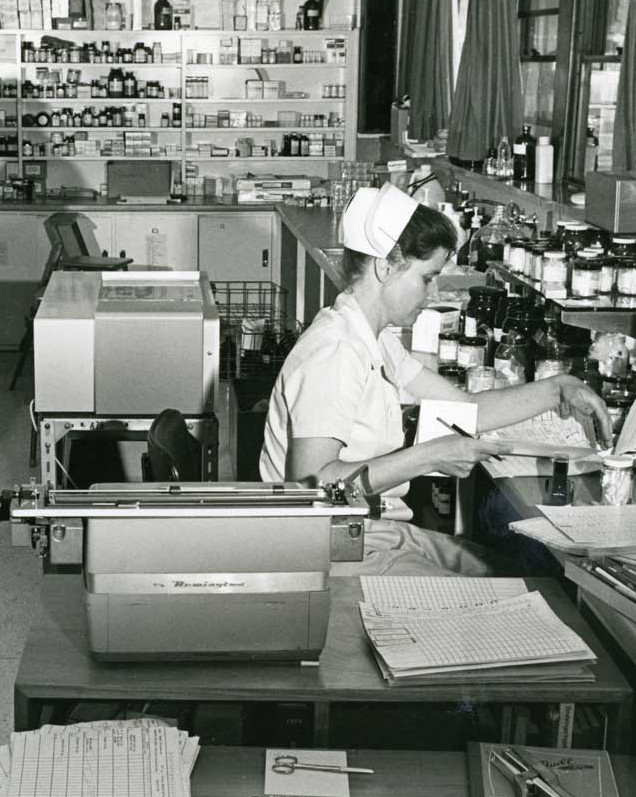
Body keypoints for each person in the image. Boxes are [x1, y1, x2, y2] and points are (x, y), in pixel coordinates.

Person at [259, 185, 613, 576]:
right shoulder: (336, 351)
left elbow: (465, 408)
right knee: (519, 592)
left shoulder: (369, 336)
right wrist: (430, 455)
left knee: (519, 572)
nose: (434, 293)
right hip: (333, 547)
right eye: (428, 277)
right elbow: (315, 487)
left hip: (374, 530)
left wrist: (558, 388)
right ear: (385, 267)